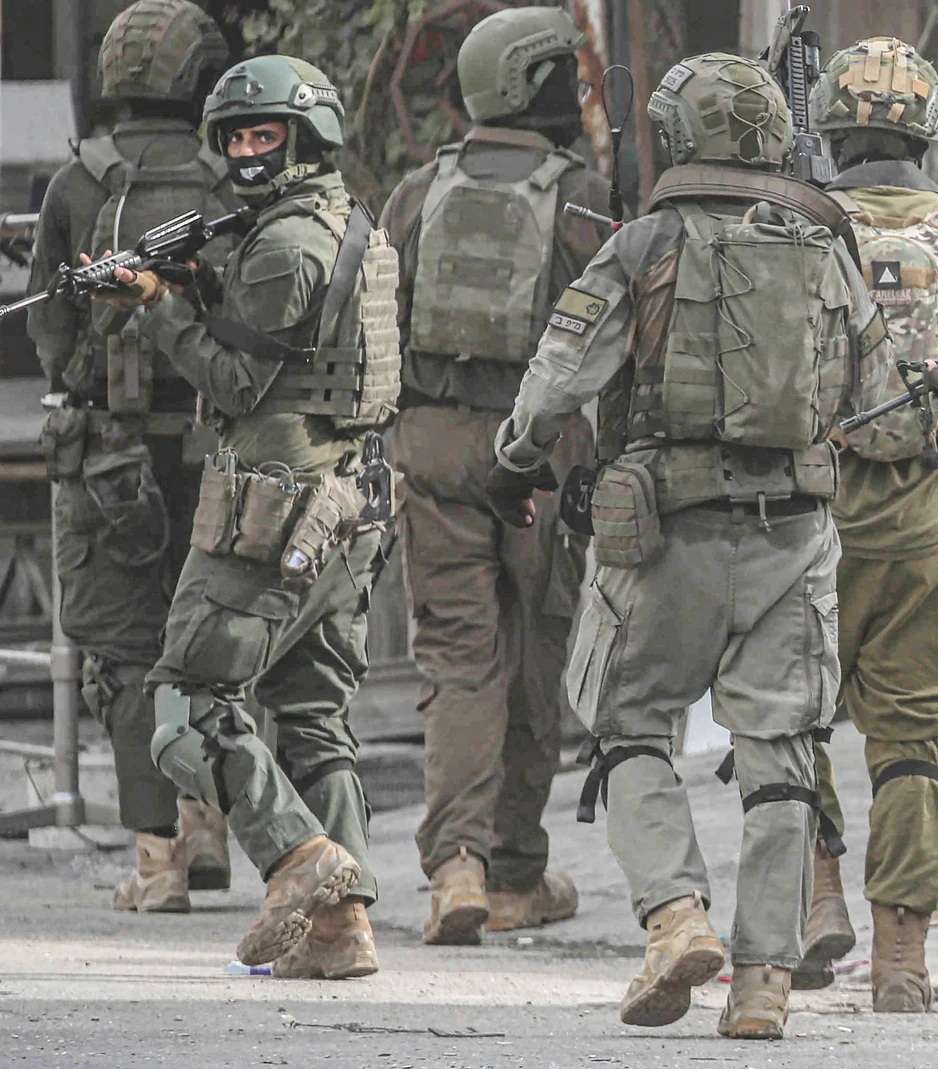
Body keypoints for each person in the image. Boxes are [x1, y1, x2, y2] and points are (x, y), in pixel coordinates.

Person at [488, 51, 890, 1041]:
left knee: (629, 726)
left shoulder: (643, 245)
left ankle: (674, 918)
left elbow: (553, 386)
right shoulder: (826, 245)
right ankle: (761, 979)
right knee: (783, 755)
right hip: (795, 535)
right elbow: (880, 408)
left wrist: (513, 464)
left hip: (660, 533)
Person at [97, 55, 402, 979]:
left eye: (263, 134)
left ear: (308, 137)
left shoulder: (284, 246)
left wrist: (153, 307)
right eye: (232, 137)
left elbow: (235, 377)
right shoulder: (346, 225)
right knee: (313, 720)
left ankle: (302, 859)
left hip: (271, 505)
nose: (244, 151)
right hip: (346, 500)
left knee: (185, 707)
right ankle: (342, 933)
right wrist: (191, 286)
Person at [789, 35, 938, 1011]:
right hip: (932, 523)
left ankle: (817, 894)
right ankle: (901, 960)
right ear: (927, 131)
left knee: (785, 717)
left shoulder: (793, 231)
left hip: (805, 518)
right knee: (917, 740)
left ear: (830, 131)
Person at [379, 5, 609, 946]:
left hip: (430, 453)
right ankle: (516, 872)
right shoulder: (582, 196)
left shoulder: (414, 193)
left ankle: (456, 866)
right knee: (536, 654)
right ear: (534, 84)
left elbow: (376, 326)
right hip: (539, 457)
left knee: (457, 661)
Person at [26, 0, 237, 914]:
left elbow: (47, 322)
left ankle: (156, 862)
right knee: (220, 644)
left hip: (107, 457)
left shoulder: (79, 183)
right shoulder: (231, 182)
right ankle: (210, 826)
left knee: (123, 654)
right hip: (215, 446)